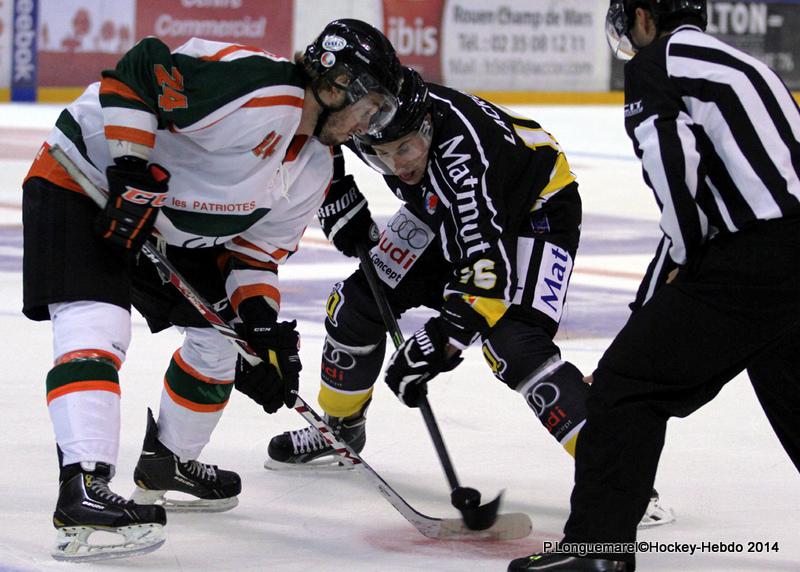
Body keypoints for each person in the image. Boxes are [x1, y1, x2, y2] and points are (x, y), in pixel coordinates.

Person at [22, 19, 402, 562]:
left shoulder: (317, 164)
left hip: (167, 223)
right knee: (97, 326)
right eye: (372, 107)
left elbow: (254, 254)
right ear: (337, 83)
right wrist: (129, 169)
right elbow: (136, 73)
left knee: (222, 341)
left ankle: (169, 462)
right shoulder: (264, 90)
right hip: (84, 183)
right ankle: (83, 488)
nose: (371, 124)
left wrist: (262, 328)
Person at [265, 66, 671, 527]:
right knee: (356, 304)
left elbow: (484, 275)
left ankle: (622, 474)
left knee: (514, 348)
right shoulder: (371, 115)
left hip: (532, 211)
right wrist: (335, 192)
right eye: (381, 155)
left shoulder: (466, 158)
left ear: (427, 126)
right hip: (440, 206)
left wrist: (441, 340)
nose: (398, 165)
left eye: (405, 148)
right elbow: (321, 129)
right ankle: (340, 431)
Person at [507, 0, 800, 570]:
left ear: (643, 16)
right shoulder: (745, 64)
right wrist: (653, 306)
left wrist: (686, 268)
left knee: (625, 388)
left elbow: (676, 180)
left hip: (754, 261)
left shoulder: (656, 63)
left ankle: (599, 552)